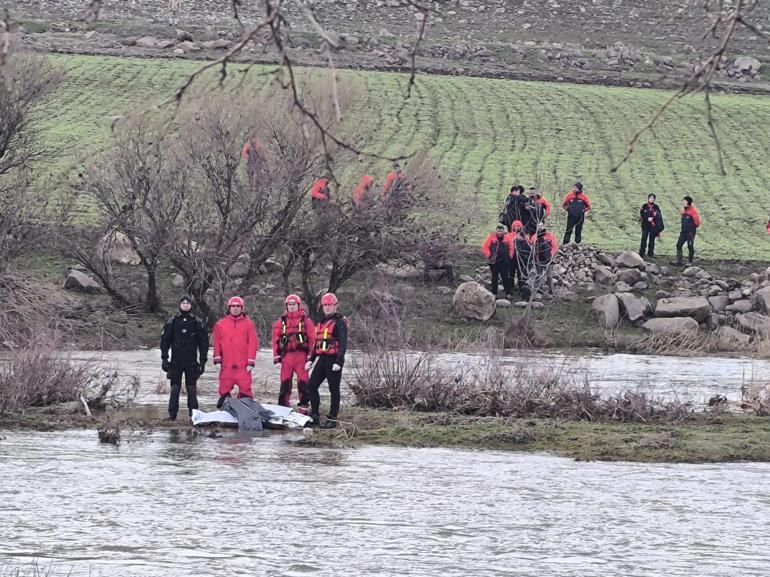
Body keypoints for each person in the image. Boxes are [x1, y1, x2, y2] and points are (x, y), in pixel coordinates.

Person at [160, 295, 209, 421]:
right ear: (180, 305)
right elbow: (165, 341)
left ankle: (194, 415)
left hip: (191, 361)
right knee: (175, 388)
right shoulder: (172, 321)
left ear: (191, 305)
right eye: (183, 303)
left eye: (188, 303)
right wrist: (164, 359)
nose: (186, 305)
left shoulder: (197, 322)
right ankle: (172, 415)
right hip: (176, 360)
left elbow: (204, 343)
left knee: (191, 388)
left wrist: (203, 362)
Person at [305, 293, 348, 429]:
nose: (327, 308)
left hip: (334, 360)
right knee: (311, 385)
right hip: (322, 359)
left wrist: (339, 362)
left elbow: (343, 343)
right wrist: (311, 359)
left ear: (335, 306)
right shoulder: (321, 322)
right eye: (325, 305)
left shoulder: (340, 322)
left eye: (330, 305)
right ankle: (315, 415)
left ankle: (333, 418)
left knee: (333, 389)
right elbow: (317, 344)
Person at [212, 296, 259, 409]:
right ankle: (226, 411)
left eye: (238, 306)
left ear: (242, 308)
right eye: (233, 306)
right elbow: (216, 343)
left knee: (246, 390)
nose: (235, 308)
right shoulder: (220, 324)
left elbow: (253, 343)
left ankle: (246, 411)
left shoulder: (248, 324)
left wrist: (251, 361)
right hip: (226, 365)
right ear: (229, 308)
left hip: (243, 366)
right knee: (224, 390)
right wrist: (217, 360)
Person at [272, 294, 315, 413]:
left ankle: (304, 406)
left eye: (294, 304)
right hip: (286, 356)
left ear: (298, 305)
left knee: (303, 381)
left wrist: (310, 358)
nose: (291, 307)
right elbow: (275, 340)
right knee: (285, 381)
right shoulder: (281, 322)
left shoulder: (306, 321)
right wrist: (276, 357)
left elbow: (312, 340)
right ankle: (283, 406)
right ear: (286, 306)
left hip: (301, 356)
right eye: (289, 305)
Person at [482, 224, 515, 299]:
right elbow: (485, 247)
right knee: (494, 277)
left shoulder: (507, 238)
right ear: (496, 231)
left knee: (505, 277)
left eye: (501, 231)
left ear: (504, 231)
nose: (500, 232)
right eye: (498, 231)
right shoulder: (491, 238)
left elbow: (511, 247)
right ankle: (494, 292)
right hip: (494, 262)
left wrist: (510, 256)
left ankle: (508, 292)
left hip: (504, 262)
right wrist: (489, 255)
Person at [530, 226, 559, 295]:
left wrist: (551, 255)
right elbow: (532, 247)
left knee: (549, 276)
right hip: (539, 260)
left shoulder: (550, 236)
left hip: (548, 259)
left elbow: (555, 246)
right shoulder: (534, 237)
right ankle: (538, 289)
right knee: (538, 275)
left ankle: (551, 290)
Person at [675, 196, 701, 266]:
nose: (682, 202)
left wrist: (691, 228)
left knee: (690, 246)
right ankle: (679, 261)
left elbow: (697, 223)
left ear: (688, 202)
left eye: (684, 201)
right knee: (678, 245)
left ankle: (690, 261)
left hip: (690, 232)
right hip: (683, 232)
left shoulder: (693, 211)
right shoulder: (684, 210)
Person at [639, 193, 664, 258]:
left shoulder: (656, 207)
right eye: (650, 198)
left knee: (652, 240)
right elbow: (642, 215)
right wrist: (647, 218)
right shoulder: (644, 206)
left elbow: (659, 216)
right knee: (644, 238)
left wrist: (654, 219)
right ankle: (642, 252)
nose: (651, 199)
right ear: (648, 199)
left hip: (653, 226)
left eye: (653, 198)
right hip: (645, 225)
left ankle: (650, 253)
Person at [513, 225, 533, 301]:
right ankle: (523, 293)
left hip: (524, 263)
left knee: (524, 278)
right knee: (522, 278)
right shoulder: (520, 242)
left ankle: (524, 294)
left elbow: (528, 253)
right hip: (522, 262)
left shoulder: (524, 242)